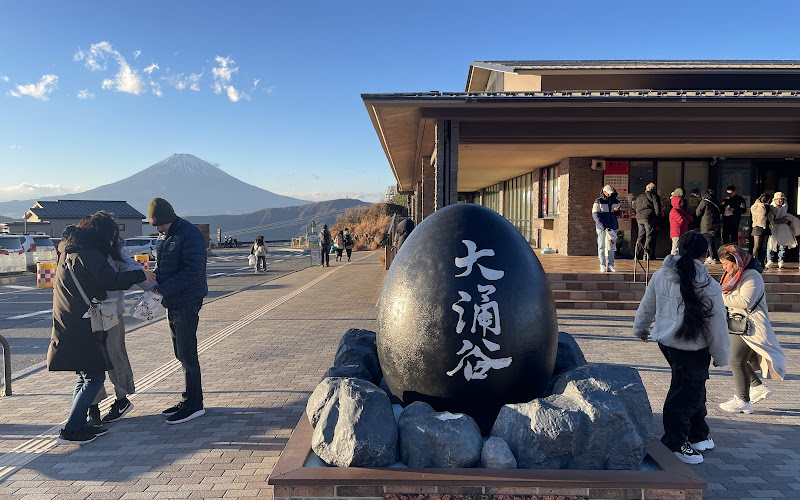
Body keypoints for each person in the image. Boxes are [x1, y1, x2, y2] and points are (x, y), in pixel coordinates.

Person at [48, 215, 155, 444]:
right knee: (94, 376)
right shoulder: (88, 253)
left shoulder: (71, 249)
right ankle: (71, 430)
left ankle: (80, 424)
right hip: (85, 321)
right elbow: (110, 280)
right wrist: (142, 276)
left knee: (85, 376)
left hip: (74, 318)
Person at [633, 231, 729, 465]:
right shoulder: (708, 284)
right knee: (684, 394)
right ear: (704, 254)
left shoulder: (661, 275)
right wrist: (721, 354)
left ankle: (698, 434)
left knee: (692, 388)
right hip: (692, 348)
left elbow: (647, 304)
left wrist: (641, 328)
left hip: (668, 343)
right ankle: (674, 443)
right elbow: (717, 324)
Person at [87, 221, 158, 427]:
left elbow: (131, 266)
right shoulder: (92, 251)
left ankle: (119, 399)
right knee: (96, 359)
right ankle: (94, 405)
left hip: (106, 313)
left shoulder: (110, 251)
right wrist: (149, 284)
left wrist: (151, 285)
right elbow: (131, 269)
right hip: (94, 312)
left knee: (112, 355)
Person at [148, 197, 209, 424]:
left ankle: (195, 405)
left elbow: (192, 271)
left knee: (187, 354)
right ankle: (188, 398)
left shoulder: (189, 234)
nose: (158, 229)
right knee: (180, 353)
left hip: (187, 300)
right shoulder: (166, 237)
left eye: (160, 224)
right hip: (172, 300)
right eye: (155, 225)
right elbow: (164, 266)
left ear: (169, 218)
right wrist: (154, 280)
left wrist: (162, 290)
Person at [716, 245, 786, 414]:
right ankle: (756, 387)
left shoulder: (751, 275)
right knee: (738, 360)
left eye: (726, 263)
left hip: (750, 326)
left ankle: (743, 400)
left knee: (735, 361)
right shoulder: (733, 275)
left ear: (737, 261)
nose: (724, 268)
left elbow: (745, 301)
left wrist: (719, 296)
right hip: (738, 324)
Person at [591, 185, 621, 272]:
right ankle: (602, 264)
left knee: (611, 247)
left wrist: (617, 211)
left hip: (612, 226)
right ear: (604, 192)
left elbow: (619, 213)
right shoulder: (598, 201)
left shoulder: (616, 201)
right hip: (602, 228)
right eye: (608, 193)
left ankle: (611, 265)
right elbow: (595, 215)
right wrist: (603, 227)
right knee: (601, 246)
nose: (610, 195)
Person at [765, 192, 796, 269]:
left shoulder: (785, 206)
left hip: (782, 227)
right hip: (773, 227)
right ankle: (770, 260)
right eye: (778, 199)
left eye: (781, 199)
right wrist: (777, 221)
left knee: (783, 244)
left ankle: (781, 261)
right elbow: (769, 218)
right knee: (771, 244)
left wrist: (786, 220)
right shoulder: (771, 207)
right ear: (775, 200)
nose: (780, 201)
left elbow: (787, 216)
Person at [633, 182, 662, 261]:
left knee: (640, 237)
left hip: (639, 218)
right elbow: (657, 209)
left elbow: (634, 207)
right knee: (649, 236)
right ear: (653, 189)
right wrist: (657, 217)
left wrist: (638, 214)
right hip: (649, 218)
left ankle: (637, 254)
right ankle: (647, 254)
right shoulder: (654, 196)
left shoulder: (639, 197)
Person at [695, 189, 722, 265]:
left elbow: (698, 213)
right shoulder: (716, 201)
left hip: (707, 224)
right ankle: (714, 256)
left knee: (708, 240)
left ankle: (711, 257)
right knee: (713, 240)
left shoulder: (704, 201)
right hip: (716, 224)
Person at [669, 188, 693, 255]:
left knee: (681, 248)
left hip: (682, 232)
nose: (683, 202)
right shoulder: (674, 211)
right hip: (676, 233)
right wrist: (686, 219)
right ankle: (672, 261)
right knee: (675, 249)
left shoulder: (681, 211)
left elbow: (689, 218)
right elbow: (681, 220)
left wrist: (686, 218)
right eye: (681, 201)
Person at [750, 194, 771, 265]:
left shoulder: (767, 206)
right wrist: (760, 204)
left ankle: (762, 261)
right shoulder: (754, 206)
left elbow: (774, 212)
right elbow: (762, 213)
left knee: (764, 246)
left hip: (766, 227)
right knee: (756, 246)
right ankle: (754, 261)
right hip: (757, 227)